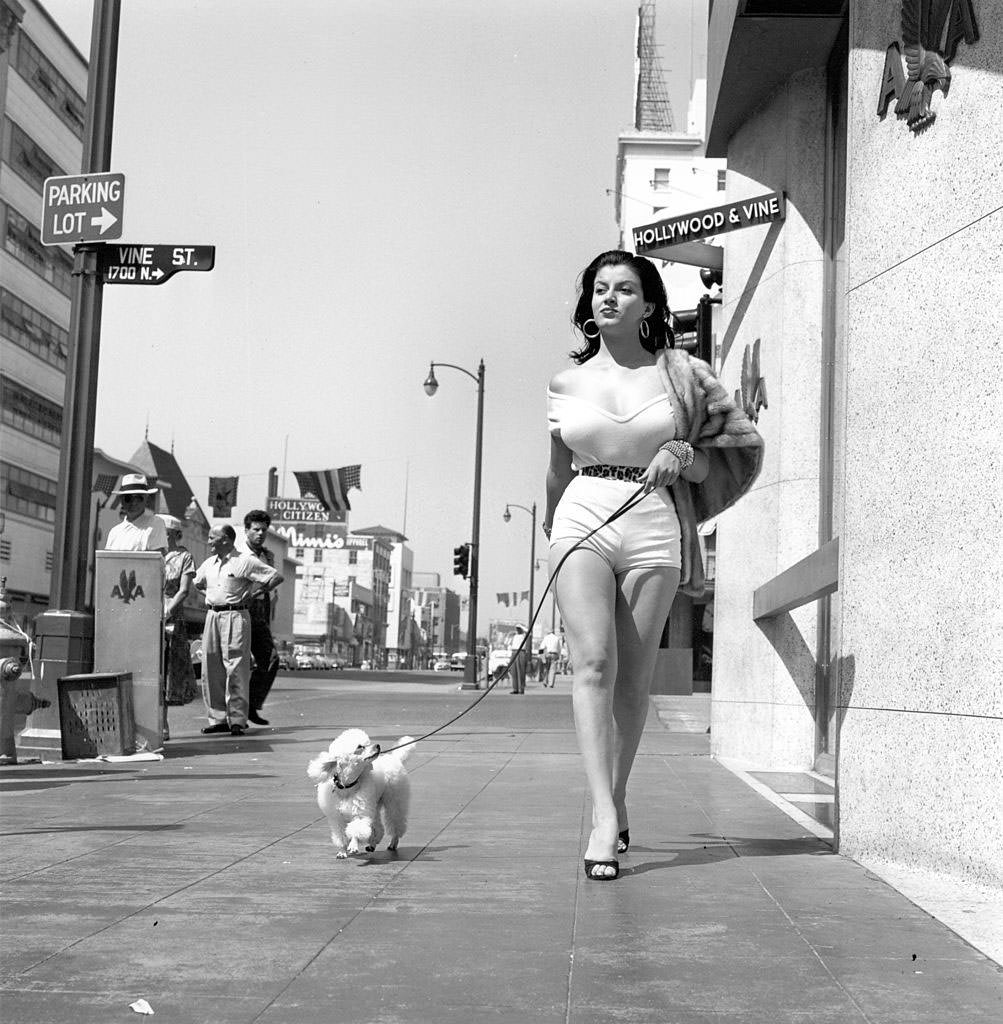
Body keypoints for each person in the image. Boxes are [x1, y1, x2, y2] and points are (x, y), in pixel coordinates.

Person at [545, 250, 763, 881]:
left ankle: (616, 792)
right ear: (589, 305)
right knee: (592, 664)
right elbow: (558, 473)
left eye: (625, 289)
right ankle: (604, 817)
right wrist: (552, 538)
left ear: (648, 305)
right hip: (582, 517)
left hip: (653, 523)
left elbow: (731, 453)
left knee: (632, 681)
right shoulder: (563, 384)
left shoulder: (684, 376)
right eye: (600, 290)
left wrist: (681, 452)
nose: (610, 298)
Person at [193, 525, 283, 737]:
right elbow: (197, 583)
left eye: (212, 538)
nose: (209, 542)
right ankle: (218, 718)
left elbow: (275, 577)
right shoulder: (209, 563)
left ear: (225, 539)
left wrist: (255, 593)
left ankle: (237, 719)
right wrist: (212, 594)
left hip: (236, 616)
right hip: (213, 615)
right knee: (211, 667)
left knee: (236, 667)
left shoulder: (244, 561)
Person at [242, 509, 281, 726]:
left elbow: (269, 586)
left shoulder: (267, 555)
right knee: (235, 664)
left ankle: (251, 705)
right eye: (256, 529)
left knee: (271, 659)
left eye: (264, 530)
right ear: (246, 530)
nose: (260, 534)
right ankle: (232, 712)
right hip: (238, 610)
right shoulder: (237, 553)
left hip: (258, 614)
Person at [161, 514, 199, 712]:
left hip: (171, 614)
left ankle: (163, 720)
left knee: (168, 667)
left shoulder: (184, 557)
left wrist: (167, 611)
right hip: (147, 611)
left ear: (176, 535)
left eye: (165, 533)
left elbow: (183, 590)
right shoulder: (152, 553)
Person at [104, 474, 168, 553]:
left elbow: (156, 561)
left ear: (146, 499)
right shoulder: (114, 532)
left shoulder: (155, 524)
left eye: (139, 497)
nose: (134, 502)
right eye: (128, 498)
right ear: (121, 500)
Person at [507, 625, 529, 694]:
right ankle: (515, 689)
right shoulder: (514, 636)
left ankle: (521, 689)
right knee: (514, 671)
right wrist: (509, 635)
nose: (518, 630)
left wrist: (521, 626)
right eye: (517, 629)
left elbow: (528, 631)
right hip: (514, 652)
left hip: (521, 652)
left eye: (519, 629)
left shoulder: (523, 635)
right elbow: (507, 643)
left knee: (521, 671)